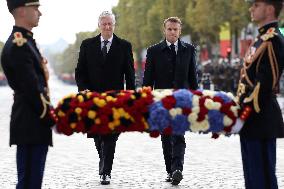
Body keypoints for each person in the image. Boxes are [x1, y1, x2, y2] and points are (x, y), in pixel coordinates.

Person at [75, 11, 135, 185]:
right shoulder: (87, 45)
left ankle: (105, 172)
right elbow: (80, 71)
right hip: (93, 99)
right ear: (99, 25)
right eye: (104, 24)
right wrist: (83, 89)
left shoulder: (124, 46)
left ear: (114, 25)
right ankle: (104, 162)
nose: (107, 27)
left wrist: (131, 97)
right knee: (97, 136)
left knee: (110, 135)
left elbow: (130, 75)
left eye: (110, 24)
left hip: (115, 101)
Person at [1, 0, 55, 188]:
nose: (40, 13)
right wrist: (50, 115)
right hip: (31, 121)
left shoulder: (26, 41)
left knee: (31, 181)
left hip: (31, 122)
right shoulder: (19, 44)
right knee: (29, 183)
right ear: (22, 11)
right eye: (36, 8)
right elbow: (32, 89)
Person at [143, 17, 198, 185]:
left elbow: (192, 77)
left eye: (175, 29)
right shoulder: (153, 51)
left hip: (182, 101)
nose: (172, 32)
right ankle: (170, 170)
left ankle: (177, 169)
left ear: (180, 31)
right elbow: (148, 79)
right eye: (169, 29)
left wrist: (196, 99)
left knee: (179, 135)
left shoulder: (189, 50)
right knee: (166, 137)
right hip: (161, 101)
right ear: (164, 30)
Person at [237, 0, 284, 188]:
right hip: (252, 119)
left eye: (256, 5)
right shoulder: (262, 39)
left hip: (260, 115)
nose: (252, 8)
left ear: (270, 9)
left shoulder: (272, 40)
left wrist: (244, 112)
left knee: (261, 177)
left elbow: (264, 84)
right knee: (252, 175)